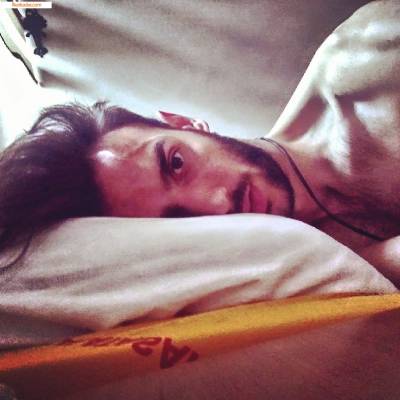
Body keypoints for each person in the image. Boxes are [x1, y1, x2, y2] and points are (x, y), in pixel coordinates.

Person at [0, 1, 399, 282]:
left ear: (187, 123)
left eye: (176, 163)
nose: (217, 204)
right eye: (179, 221)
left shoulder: (374, 70)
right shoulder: (277, 282)